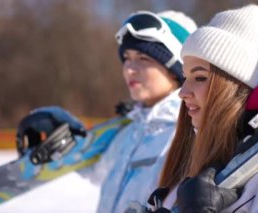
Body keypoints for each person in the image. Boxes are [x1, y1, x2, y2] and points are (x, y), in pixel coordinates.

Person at [143, 4, 258, 212]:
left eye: (199, 78)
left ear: (236, 86)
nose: (183, 92)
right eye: (186, 77)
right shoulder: (200, 170)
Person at [75, 10, 197, 213]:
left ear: (177, 68)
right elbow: (98, 171)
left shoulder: (187, 134)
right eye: (126, 57)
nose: (129, 68)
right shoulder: (129, 131)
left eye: (143, 58)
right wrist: (67, 142)